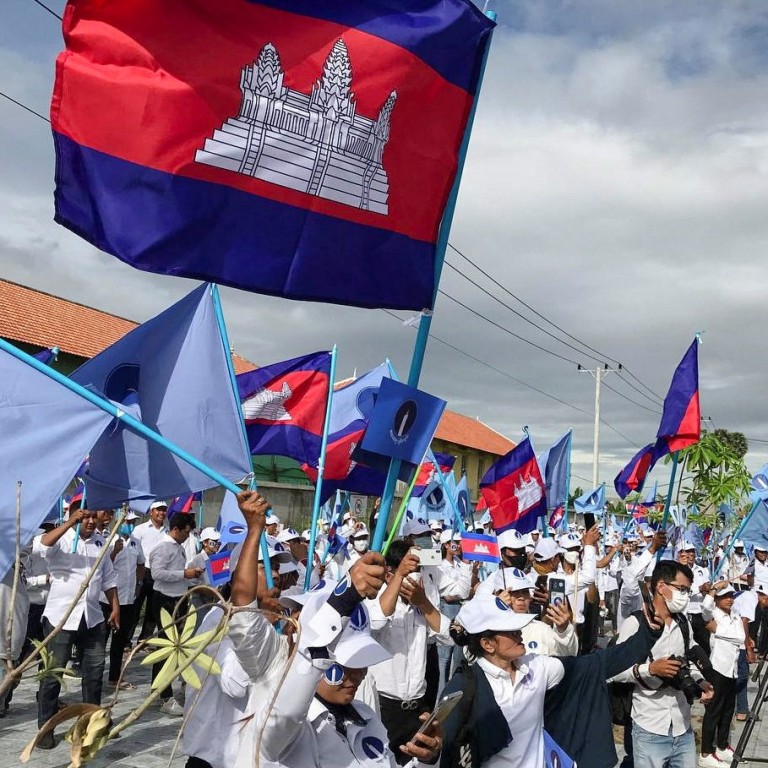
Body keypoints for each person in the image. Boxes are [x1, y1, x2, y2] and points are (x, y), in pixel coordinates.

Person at [226, 489, 441, 768]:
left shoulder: (366, 717)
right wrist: (347, 594)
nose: (357, 676)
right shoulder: (282, 721)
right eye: (345, 664)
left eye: (361, 664)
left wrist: (428, 761)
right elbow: (246, 622)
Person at [440, 594, 664, 768]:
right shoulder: (463, 688)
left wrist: (648, 634)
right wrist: (430, 754)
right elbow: (441, 745)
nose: (519, 633)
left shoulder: (536, 667)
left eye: (517, 627)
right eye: (509, 630)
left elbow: (598, 664)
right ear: (488, 644)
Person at [610, 560, 714, 768]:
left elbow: (688, 660)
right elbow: (613, 670)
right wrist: (650, 669)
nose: (684, 595)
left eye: (687, 590)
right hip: (649, 726)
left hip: (682, 725)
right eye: (681, 589)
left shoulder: (683, 624)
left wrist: (700, 681)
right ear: (661, 587)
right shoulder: (635, 623)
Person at [36, 503, 120, 748]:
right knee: (54, 674)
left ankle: (92, 725)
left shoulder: (100, 543)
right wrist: (70, 522)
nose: (91, 521)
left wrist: (114, 607)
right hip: (61, 616)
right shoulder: (63, 538)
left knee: (94, 675)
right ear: (76, 515)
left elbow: (109, 578)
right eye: (87, 516)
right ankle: (45, 729)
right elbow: (43, 545)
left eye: (95, 516)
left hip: (92, 616)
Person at [367, 539, 452, 764]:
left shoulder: (421, 602)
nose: (415, 576)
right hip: (383, 708)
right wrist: (399, 576)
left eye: (419, 569)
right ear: (389, 574)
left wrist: (424, 603)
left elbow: (449, 636)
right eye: (410, 570)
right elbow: (375, 622)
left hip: (417, 708)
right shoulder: (374, 600)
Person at [148, 511, 204, 715]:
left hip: (177, 597)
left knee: (172, 645)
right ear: (176, 529)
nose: (188, 536)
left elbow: (178, 575)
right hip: (165, 598)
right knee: (169, 646)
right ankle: (164, 695)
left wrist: (192, 578)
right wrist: (184, 574)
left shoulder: (177, 547)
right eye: (186, 532)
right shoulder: (163, 548)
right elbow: (157, 574)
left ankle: (159, 688)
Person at [699, 583, 743, 766]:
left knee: (727, 710)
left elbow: (740, 637)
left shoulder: (735, 616)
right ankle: (706, 752)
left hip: (731, 669)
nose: (729, 599)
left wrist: (718, 630)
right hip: (718, 668)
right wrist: (713, 591)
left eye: (731, 596)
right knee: (714, 711)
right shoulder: (713, 614)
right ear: (717, 599)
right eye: (725, 596)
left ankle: (722, 746)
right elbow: (704, 609)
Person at [103, 509, 145, 688]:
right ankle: (93, 676)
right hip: (108, 599)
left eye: (132, 522)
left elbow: (141, 564)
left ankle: (114, 677)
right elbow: (102, 568)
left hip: (128, 598)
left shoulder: (136, 543)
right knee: (101, 639)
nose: (130, 525)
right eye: (127, 522)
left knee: (120, 641)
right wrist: (114, 552)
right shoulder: (109, 541)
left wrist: (139, 583)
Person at [132, 500, 169, 641]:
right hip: (143, 571)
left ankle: (145, 640)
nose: (161, 513)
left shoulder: (168, 530)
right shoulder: (140, 529)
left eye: (164, 510)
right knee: (136, 606)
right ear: (151, 512)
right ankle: (127, 640)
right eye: (158, 510)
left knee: (153, 609)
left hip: (159, 573)